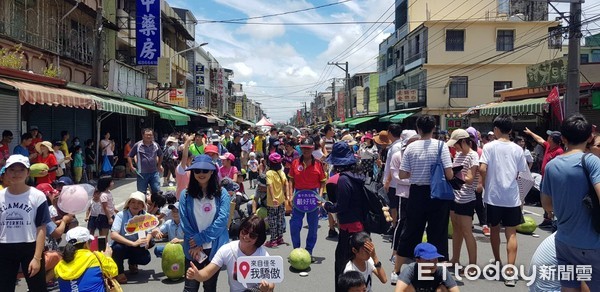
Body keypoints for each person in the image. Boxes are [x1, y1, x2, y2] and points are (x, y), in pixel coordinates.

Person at [541, 114, 600, 291]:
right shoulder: (591, 161)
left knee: (569, 287)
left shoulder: (552, 165)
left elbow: (547, 205)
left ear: (564, 138)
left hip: (564, 242)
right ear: (590, 137)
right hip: (592, 243)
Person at [397, 115, 453, 270]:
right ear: (434, 128)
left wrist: (416, 171)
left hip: (417, 193)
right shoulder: (442, 146)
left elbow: (402, 174)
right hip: (438, 195)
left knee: (411, 231)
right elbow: (449, 174)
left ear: (418, 129)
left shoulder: (410, 147)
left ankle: (397, 270)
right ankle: (439, 271)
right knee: (438, 233)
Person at [479, 114, 529, 287]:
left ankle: (498, 260)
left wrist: (485, 184)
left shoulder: (489, 147)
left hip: (493, 196)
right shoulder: (517, 149)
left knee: (494, 230)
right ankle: (510, 272)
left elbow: (483, 168)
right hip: (512, 197)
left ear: (497, 129)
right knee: (511, 233)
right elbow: (523, 174)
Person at [322, 141, 369, 292]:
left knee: (342, 268)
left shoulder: (343, 180)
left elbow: (340, 207)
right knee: (360, 267)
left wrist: (326, 206)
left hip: (348, 231)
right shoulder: (358, 175)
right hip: (362, 228)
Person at [0, 155, 51, 291]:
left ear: (28, 172)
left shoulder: (37, 196)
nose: (16, 174)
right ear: (5, 172)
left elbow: (41, 228)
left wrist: (37, 258)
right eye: (12, 170)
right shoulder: (0, 197)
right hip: (4, 248)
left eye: (21, 170)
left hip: (30, 247)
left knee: (37, 288)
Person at [179, 154, 230, 292]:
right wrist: (195, 243)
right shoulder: (185, 194)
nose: (201, 174)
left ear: (212, 171)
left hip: (214, 248)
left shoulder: (222, 193)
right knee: (190, 288)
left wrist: (200, 239)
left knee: (209, 287)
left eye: (205, 170)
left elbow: (222, 221)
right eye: (197, 171)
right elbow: (185, 222)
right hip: (192, 248)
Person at [185, 215, 275, 292]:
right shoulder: (227, 249)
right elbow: (207, 273)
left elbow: (271, 285)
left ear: (259, 238)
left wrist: (266, 288)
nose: (246, 236)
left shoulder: (262, 254)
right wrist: (197, 275)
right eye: (245, 231)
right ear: (240, 230)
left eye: (252, 235)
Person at [446, 129, 479, 276]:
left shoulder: (473, 156)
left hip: (466, 198)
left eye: (456, 144)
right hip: (455, 196)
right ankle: (455, 259)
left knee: (467, 231)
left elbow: (471, 178)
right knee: (457, 230)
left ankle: (472, 265)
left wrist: (455, 175)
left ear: (464, 142)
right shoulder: (458, 155)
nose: (455, 147)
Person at [389, 130, 420, 284]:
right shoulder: (397, 156)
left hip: (419, 195)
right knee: (402, 223)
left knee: (417, 224)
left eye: (417, 139)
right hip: (404, 195)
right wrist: (415, 180)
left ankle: (414, 253)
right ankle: (395, 252)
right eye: (412, 140)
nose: (415, 142)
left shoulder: (420, 154)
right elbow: (396, 177)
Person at [288, 137, 326, 258]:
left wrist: (320, 198)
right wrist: (289, 195)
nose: (306, 151)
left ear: (313, 149)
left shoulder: (318, 164)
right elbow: (290, 181)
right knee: (295, 224)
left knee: (313, 226)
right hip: (298, 195)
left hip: (313, 197)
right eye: (303, 148)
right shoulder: (295, 162)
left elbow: (323, 182)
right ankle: (296, 250)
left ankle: (309, 251)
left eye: (308, 149)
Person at [54, 227, 117, 292]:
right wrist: (108, 257)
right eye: (90, 242)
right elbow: (113, 272)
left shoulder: (60, 265)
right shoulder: (96, 257)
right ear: (86, 244)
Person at [523, 127, 564, 228]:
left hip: (552, 180)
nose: (547, 138)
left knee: (552, 199)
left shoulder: (559, 151)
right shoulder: (548, 146)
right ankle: (547, 218)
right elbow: (539, 139)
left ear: (552, 139)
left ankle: (553, 219)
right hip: (544, 178)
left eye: (549, 136)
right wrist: (531, 132)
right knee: (544, 199)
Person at [110, 191, 153, 284]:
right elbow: (113, 235)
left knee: (146, 258)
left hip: (138, 244)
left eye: (139, 203)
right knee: (117, 248)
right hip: (123, 244)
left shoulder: (145, 216)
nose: (135, 205)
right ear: (128, 203)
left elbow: (150, 232)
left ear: (142, 206)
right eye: (133, 202)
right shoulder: (121, 215)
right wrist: (132, 243)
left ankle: (132, 262)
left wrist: (147, 240)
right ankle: (120, 272)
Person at [394, 243, 459, 292]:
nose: (433, 264)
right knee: (407, 288)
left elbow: (455, 290)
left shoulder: (441, 270)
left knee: (442, 289)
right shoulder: (410, 270)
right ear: (418, 261)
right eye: (428, 260)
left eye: (435, 259)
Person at [127, 128, 164, 194]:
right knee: (141, 193)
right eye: (147, 135)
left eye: (151, 135)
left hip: (154, 173)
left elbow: (161, 155)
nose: (149, 136)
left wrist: (159, 165)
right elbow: (130, 156)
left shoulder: (156, 145)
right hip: (142, 173)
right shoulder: (137, 145)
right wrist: (131, 166)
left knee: (157, 191)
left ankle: (155, 204)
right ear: (143, 135)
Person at [383, 124, 403, 237]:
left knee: (394, 206)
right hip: (396, 181)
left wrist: (387, 181)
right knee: (394, 205)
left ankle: (394, 226)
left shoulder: (395, 147)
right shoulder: (397, 145)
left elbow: (393, 166)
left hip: (394, 182)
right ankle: (395, 225)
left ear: (390, 132)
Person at [264, 153, 288, 247]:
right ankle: (280, 238)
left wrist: (274, 197)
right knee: (280, 219)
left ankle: (273, 240)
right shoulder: (281, 172)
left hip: (272, 201)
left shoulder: (269, 173)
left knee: (272, 220)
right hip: (281, 199)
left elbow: (269, 186)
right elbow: (286, 183)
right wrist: (285, 194)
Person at [176, 134, 194, 200]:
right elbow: (184, 156)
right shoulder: (181, 168)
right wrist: (188, 141)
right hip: (182, 197)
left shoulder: (187, 167)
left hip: (188, 196)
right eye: (191, 158)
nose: (191, 160)